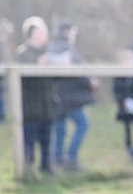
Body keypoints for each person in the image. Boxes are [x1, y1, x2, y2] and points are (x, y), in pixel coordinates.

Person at [50, 21, 96, 171]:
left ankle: (58, 160)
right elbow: (76, 71)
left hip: (57, 97)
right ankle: (71, 158)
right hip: (70, 97)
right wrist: (89, 81)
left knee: (60, 128)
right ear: (67, 32)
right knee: (83, 124)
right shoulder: (67, 49)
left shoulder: (53, 47)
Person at [16, 16, 58, 175]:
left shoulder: (48, 53)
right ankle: (27, 170)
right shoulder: (23, 53)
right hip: (30, 106)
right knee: (29, 140)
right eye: (41, 31)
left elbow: (55, 79)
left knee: (47, 140)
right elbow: (23, 78)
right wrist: (38, 66)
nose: (44, 35)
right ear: (31, 33)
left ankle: (46, 167)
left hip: (47, 104)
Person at [113, 49, 133, 157]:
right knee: (127, 128)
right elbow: (117, 90)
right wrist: (122, 101)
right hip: (125, 106)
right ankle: (129, 147)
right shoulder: (119, 74)